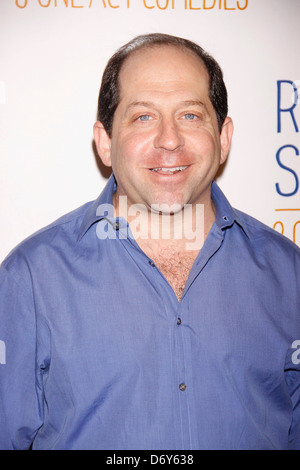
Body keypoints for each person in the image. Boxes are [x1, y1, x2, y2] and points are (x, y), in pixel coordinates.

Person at [0, 33, 299, 451]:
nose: (170, 140)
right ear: (105, 142)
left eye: (191, 115)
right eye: (143, 117)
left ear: (224, 137)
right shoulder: (30, 278)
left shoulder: (289, 272)